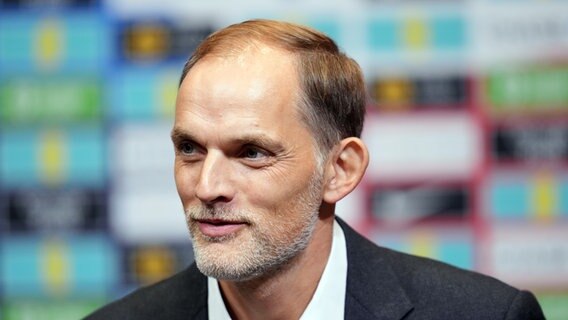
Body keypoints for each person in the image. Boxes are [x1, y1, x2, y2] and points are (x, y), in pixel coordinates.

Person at [86, 19, 545, 320]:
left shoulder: (484, 315)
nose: (208, 186)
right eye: (190, 148)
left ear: (340, 170)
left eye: (251, 153)